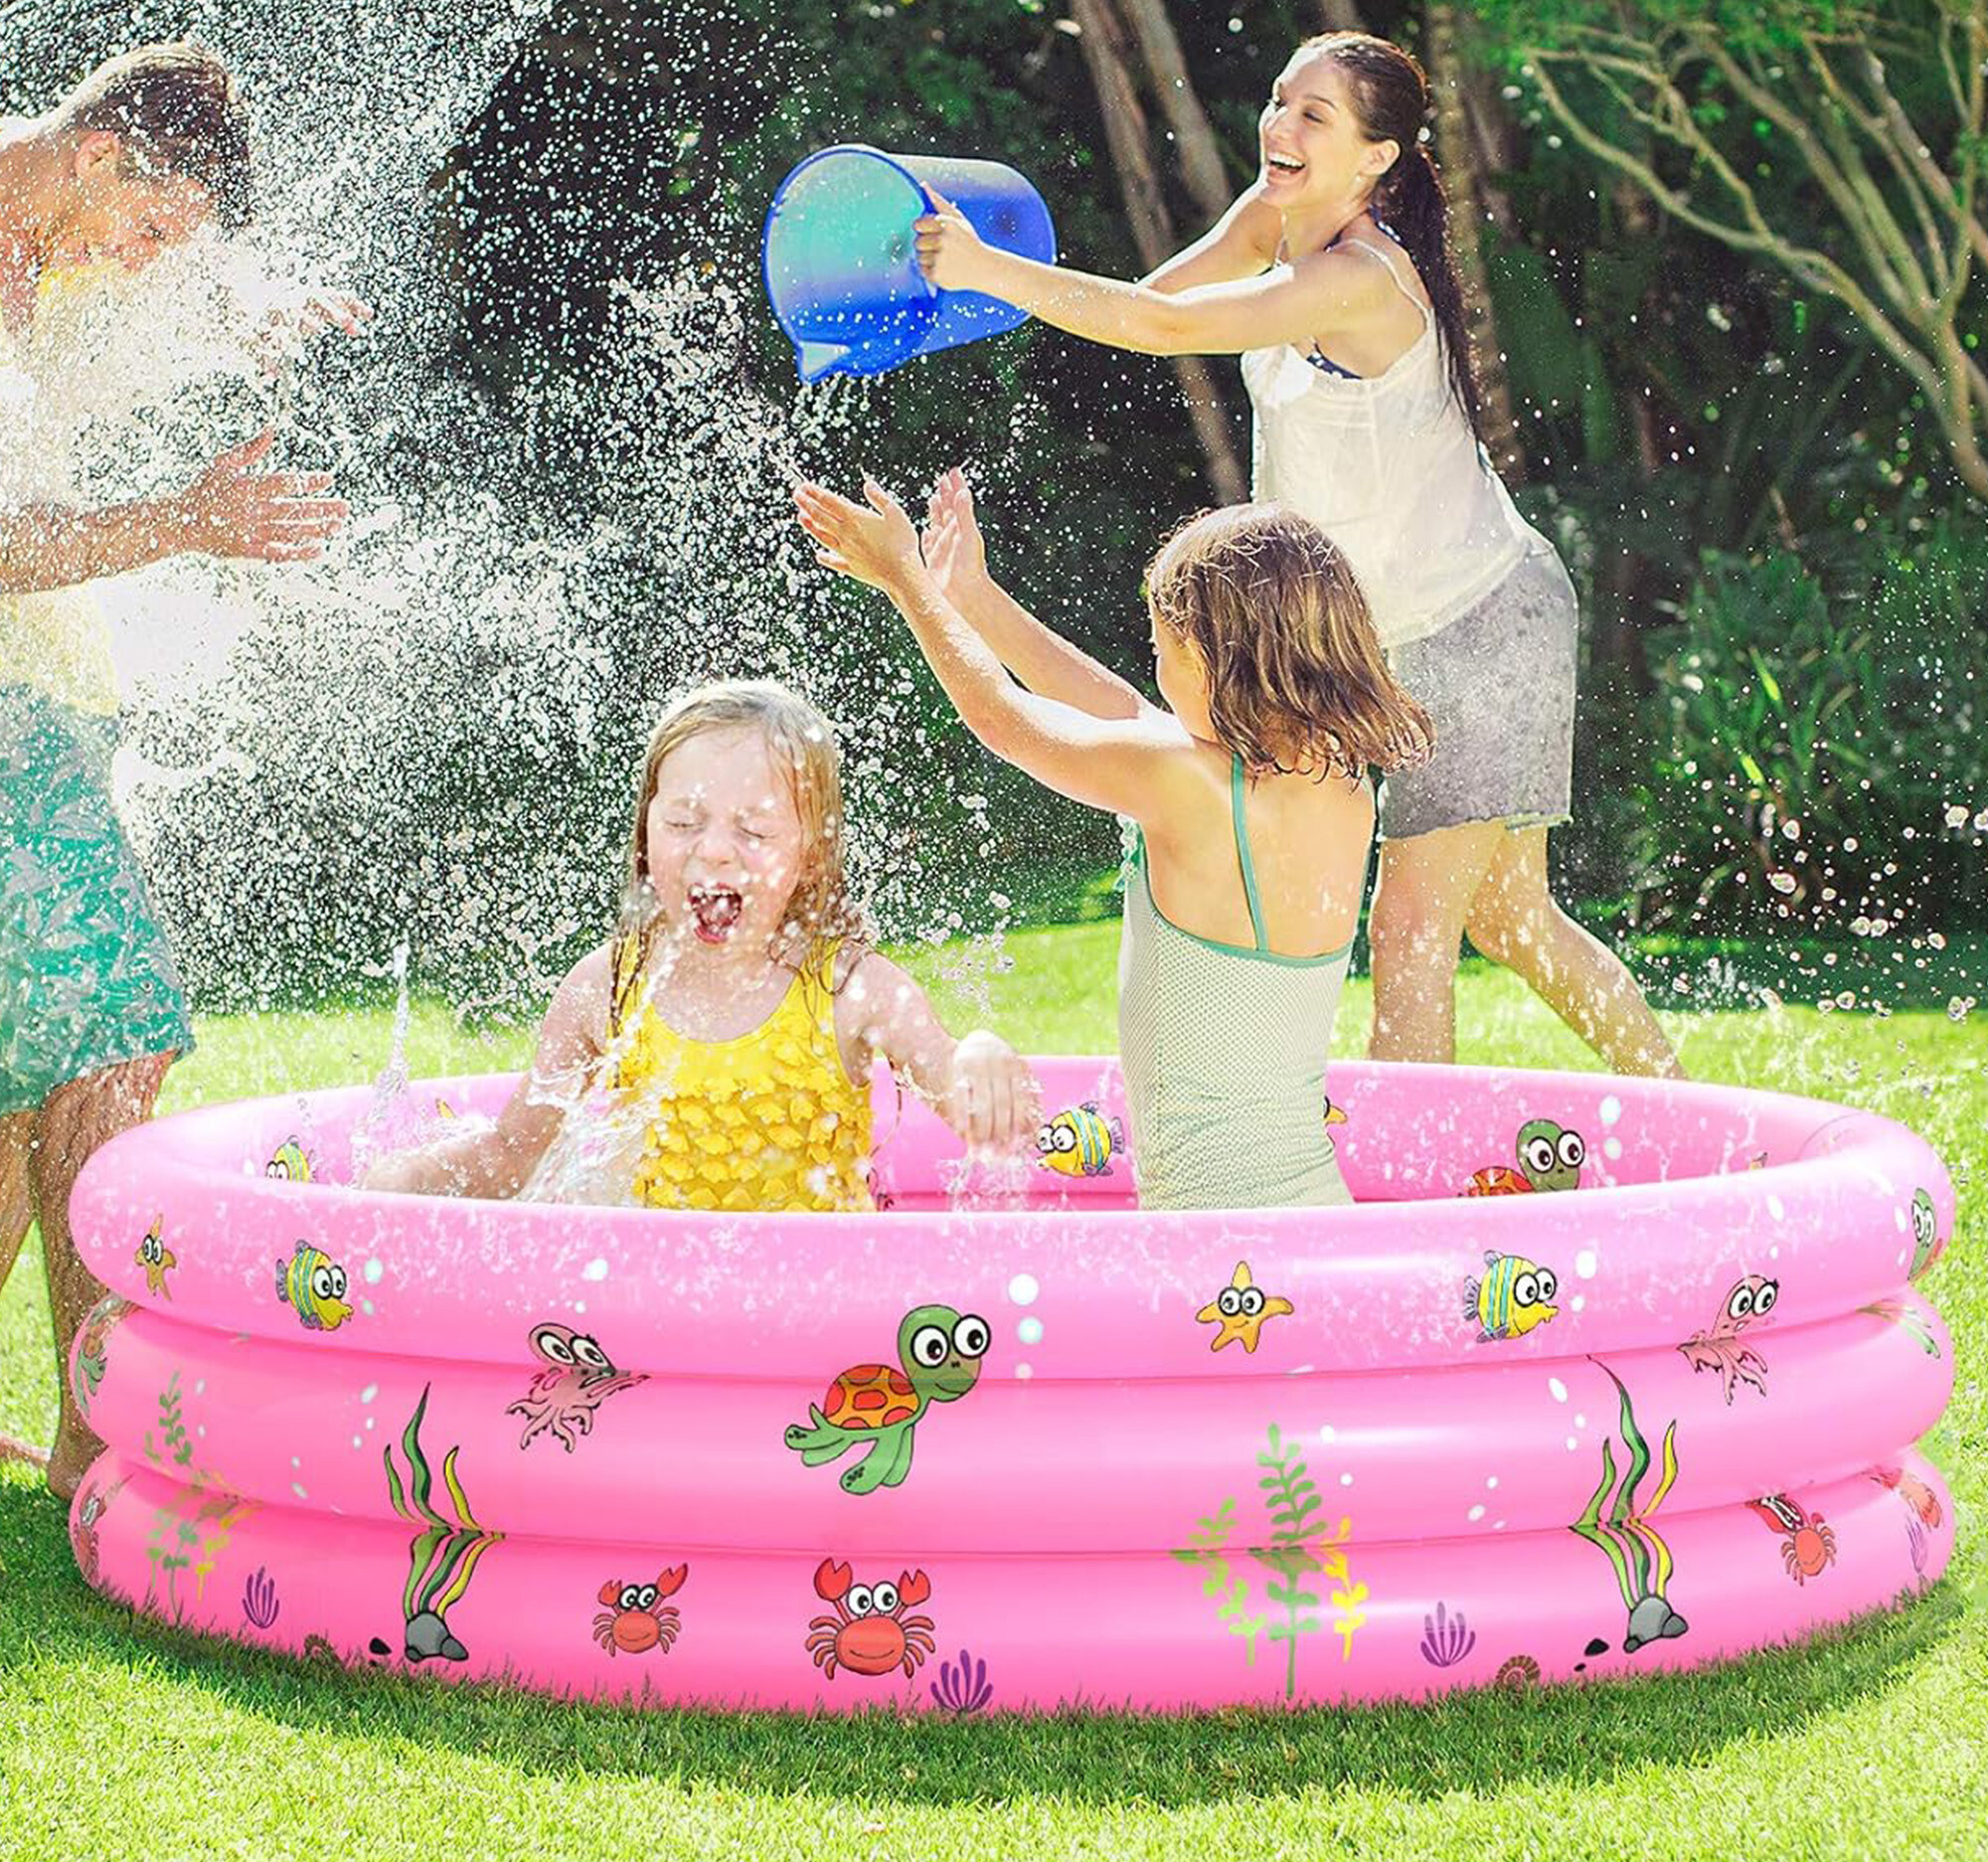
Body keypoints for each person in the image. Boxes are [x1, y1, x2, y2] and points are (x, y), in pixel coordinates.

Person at [908, 29, 1682, 1082]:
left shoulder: (1360, 278)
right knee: (1508, 917)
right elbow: (1156, 300)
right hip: (1371, 639)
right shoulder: (1271, 218)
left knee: (1409, 931)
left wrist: (991, 267)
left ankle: (1418, 1188)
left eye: (1315, 114)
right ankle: (1698, 1119)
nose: (1279, 124)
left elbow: (1159, 326)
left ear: (1377, 157)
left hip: (1479, 623)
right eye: (1280, 100)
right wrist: (985, 290)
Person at [0, 43, 354, 1494]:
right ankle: (99, 1443)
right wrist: (191, 521)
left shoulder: (50, 225)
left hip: (33, 709)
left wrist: (235, 304)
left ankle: (94, 1440)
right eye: (149, 228)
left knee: (52, 1064)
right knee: (106, 1032)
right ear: (96, 158)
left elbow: (142, 296)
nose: (146, 257)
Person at [796, 469, 1430, 1212]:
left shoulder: (1189, 786)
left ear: (1220, 660)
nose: (1155, 672)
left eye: (1163, 650)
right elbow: (1125, 712)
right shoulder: (1337, 783)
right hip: (1308, 1209)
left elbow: (1004, 719)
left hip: (1215, 1231)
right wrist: (977, 600)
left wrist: (906, 580)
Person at [365, 681, 1039, 1209]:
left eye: (755, 831)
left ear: (810, 853)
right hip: (658, 1312)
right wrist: (400, 1182)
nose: (714, 850)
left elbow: (975, 1101)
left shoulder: (851, 989)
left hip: (820, 1313)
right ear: (646, 831)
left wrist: (981, 1060)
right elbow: (515, 1153)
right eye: (684, 822)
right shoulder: (607, 988)